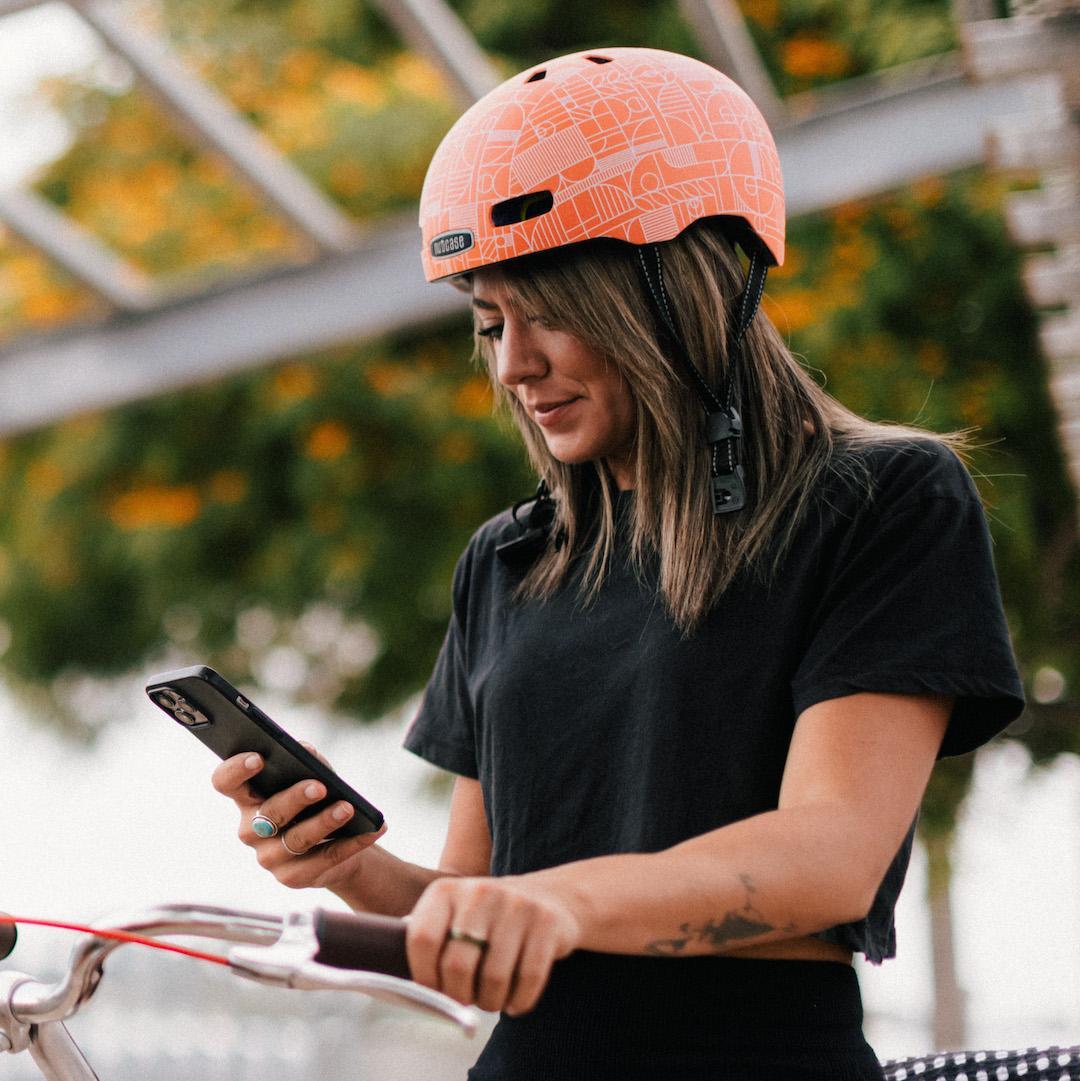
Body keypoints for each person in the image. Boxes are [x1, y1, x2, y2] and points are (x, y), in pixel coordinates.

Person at [212, 47, 1025, 1080]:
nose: (514, 366)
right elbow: (477, 918)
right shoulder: (507, 561)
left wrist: (556, 900)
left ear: (678, 289)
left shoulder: (881, 498)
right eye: (490, 322)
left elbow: (831, 855)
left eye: (549, 311)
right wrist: (355, 867)